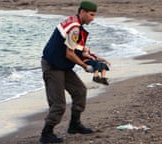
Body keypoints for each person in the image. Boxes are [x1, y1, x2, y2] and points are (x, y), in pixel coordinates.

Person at [40, 1, 98, 143]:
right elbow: (70, 54)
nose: (93, 18)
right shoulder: (75, 28)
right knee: (58, 103)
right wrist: (85, 66)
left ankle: (74, 125)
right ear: (82, 12)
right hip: (53, 66)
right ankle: (46, 133)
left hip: (63, 66)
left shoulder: (75, 23)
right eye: (91, 15)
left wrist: (92, 57)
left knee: (80, 91)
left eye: (94, 15)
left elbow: (76, 49)